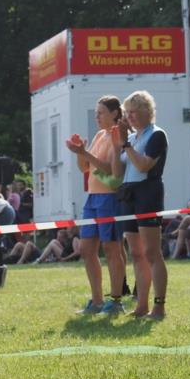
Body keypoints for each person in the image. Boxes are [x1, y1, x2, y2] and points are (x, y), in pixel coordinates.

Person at [65, 95, 127, 315]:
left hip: (109, 197)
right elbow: (85, 167)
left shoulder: (118, 136)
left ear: (114, 113)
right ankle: (97, 300)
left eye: (101, 113)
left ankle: (116, 301)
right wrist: (79, 152)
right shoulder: (100, 135)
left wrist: (85, 153)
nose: (97, 117)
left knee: (111, 248)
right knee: (86, 249)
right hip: (92, 197)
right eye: (96, 113)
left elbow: (110, 169)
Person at [111, 90, 169, 319]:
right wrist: (117, 145)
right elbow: (117, 172)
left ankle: (159, 306)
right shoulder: (133, 139)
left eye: (134, 112)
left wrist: (126, 144)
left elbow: (144, 165)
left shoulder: (156, 135)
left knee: (152, 252)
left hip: (148, 193)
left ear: (147, 112)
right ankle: (141, 305)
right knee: (136, 253)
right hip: (129, 193)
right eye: (127, 113)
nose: (129, 117)